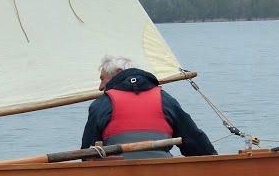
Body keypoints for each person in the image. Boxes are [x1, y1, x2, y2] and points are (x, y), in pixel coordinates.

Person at [82, 55, 218, 159]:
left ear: (118, 73)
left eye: (102, 79)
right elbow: (195, 143)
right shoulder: (165, 99)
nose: (100, 87)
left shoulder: (101, 104)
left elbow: (88, 154)